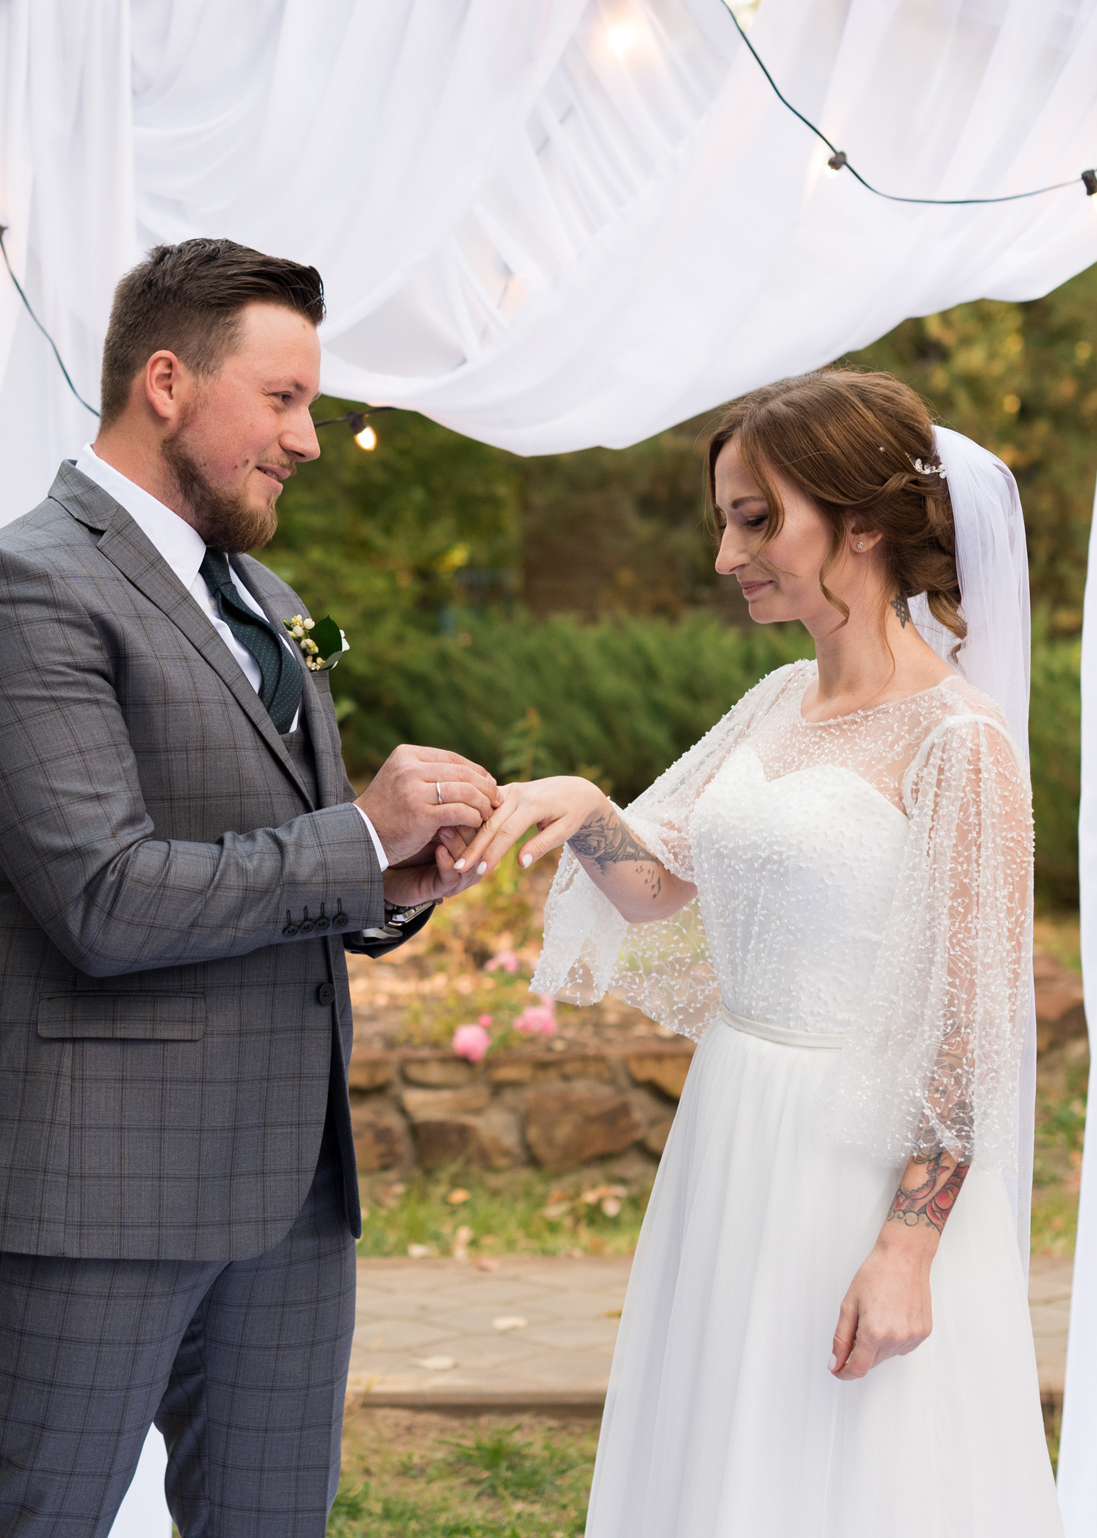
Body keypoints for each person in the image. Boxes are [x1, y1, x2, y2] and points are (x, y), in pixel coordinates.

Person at [0, 237, 498, 1537]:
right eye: (283, 399)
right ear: (167, 382)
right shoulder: (16, 589)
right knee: (37, 1521)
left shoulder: (267, 597)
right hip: (96, 1184)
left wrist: (399, 877)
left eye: (313, 404)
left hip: (291, 1189)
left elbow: (291, 872)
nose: (305, 438)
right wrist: (355, 833)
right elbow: (106, 900)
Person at [453, 368, 1062, 1534]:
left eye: (756, 520)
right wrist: (582, 805)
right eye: (726, 520)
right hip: (735, 1123)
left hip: (854, 1153)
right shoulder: (781, 697)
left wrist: (905, 1250)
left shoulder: (960, 740)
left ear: (865, 524)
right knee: (720, 1443)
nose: (728, 555)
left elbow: (973, 1022)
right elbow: (657, 887)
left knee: (841, 1463)